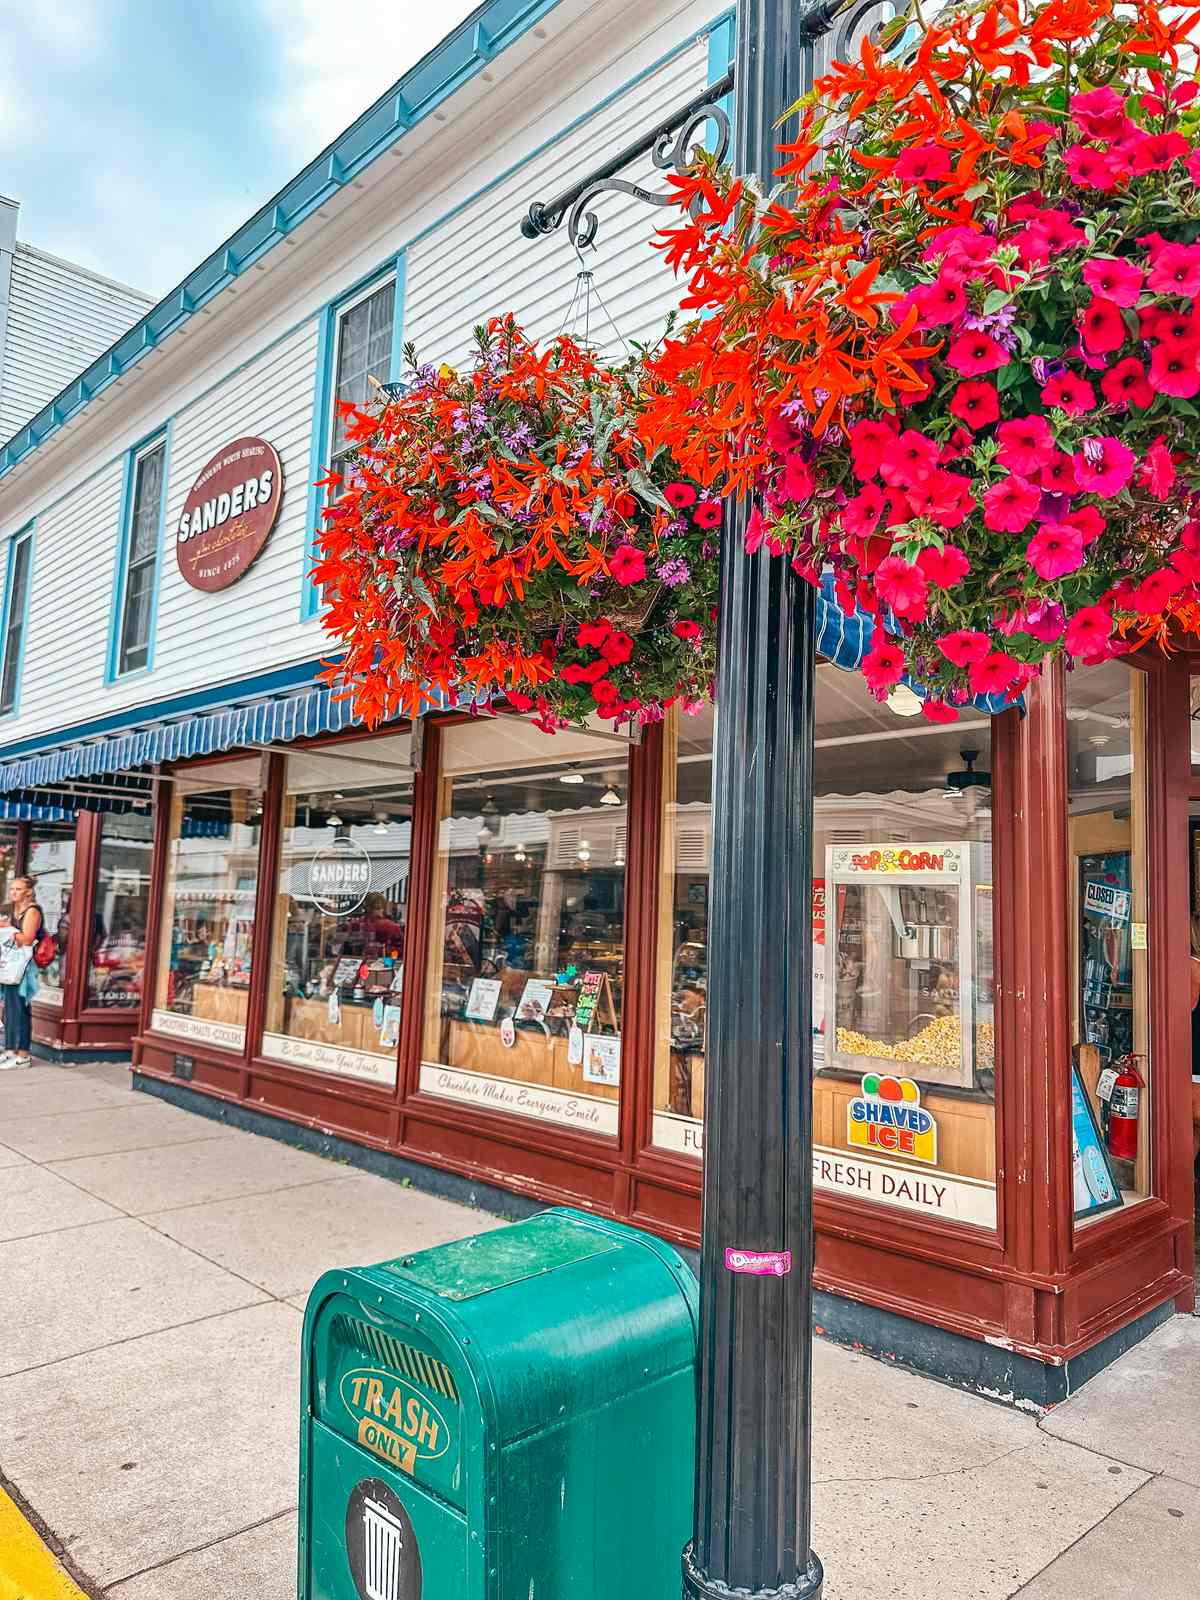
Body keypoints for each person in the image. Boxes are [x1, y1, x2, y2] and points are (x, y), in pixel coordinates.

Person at [0, 876, 45, 1070]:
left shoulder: (32, 911)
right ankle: (10, 1051)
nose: (13, 893)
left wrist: (6, 929)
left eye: (18, 889)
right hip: (12, 964)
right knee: (10, 1009)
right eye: (12, 889)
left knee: (20, 1010)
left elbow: (27, 939)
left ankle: (23, 1054)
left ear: (28, 892)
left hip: (24, 966)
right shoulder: (15, 910)